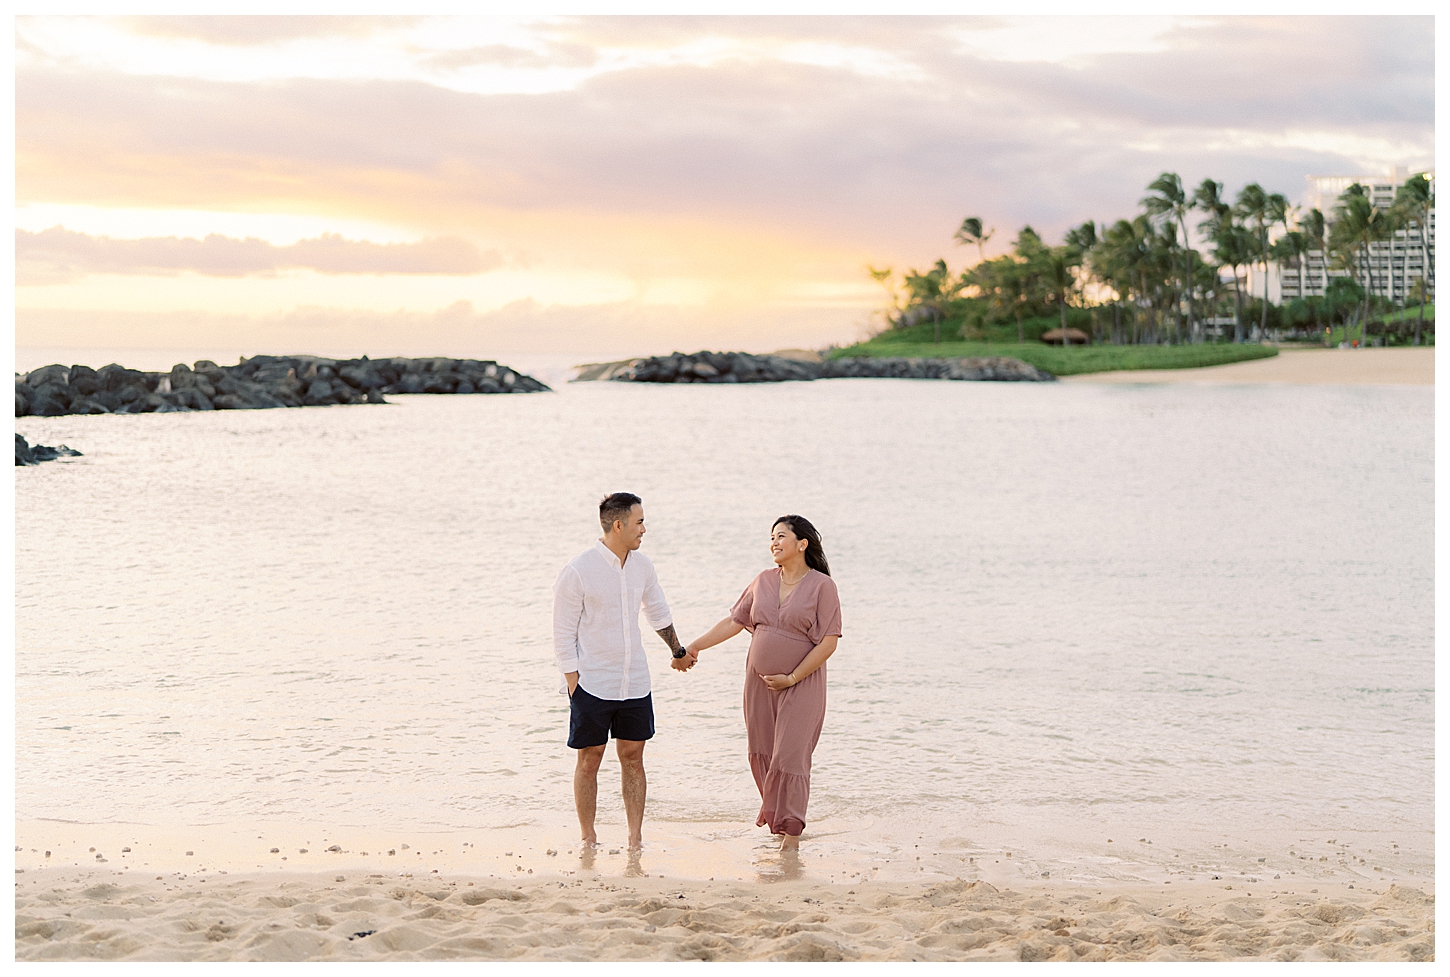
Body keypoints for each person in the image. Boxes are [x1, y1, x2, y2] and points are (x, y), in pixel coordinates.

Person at [684, 515, 841, 850]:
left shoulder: (822, 586)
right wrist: (695, 646)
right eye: (771, 537)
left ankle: (792, 837)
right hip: (759, 684)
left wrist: (792, 677)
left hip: (802, 683)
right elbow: (734, 621)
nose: (773, 542)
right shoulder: (762, 581)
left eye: (781, 536)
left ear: (802, 544)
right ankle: (780, 823)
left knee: (792, 756)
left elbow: (829, 641)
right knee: (764, 752)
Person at [552, 492, 692, 851]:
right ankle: (588, 837)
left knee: (633, 757)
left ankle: (635, 839)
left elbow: (657, 611)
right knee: (589, 760)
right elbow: (563, 631)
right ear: (619, 525)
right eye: (640, 521)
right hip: (593, 683)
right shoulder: (578, 570)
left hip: (635, 682)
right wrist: (573, 683)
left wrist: (677, 650)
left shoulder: (643, 566)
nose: (644, 529)